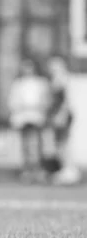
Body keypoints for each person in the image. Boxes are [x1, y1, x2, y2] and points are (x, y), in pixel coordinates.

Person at [7, 58, 51, 182]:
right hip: (22, 117)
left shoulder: (41, 83)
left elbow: (46, 100)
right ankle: (27, 170)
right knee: (25, 144)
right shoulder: (18, 83)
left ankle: (37, 169)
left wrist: (38, 107)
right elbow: (12, 101)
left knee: (35, 144)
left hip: (36, 117)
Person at [45, 56, 81, 185]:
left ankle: (69, 170)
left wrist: (61, 114)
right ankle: (66, 169)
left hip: (62, 115)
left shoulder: (63, 79)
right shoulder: (56, 79)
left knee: (63, 143)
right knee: (59, 144)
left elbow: (66, 100)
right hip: (58, 115)